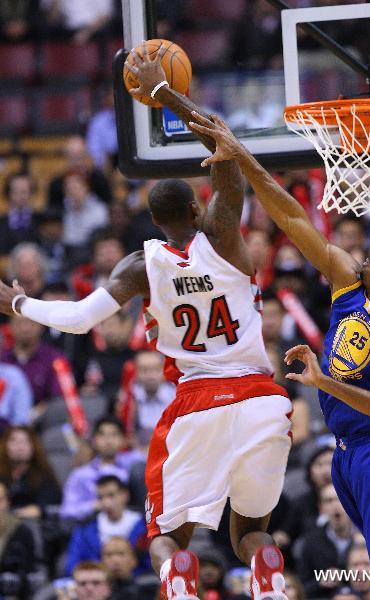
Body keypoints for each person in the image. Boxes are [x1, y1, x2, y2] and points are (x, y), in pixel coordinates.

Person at [0, 44, 291, 600]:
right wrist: (166, 94)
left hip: (198, 403)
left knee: (163, 535)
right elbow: (226, 150)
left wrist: (18, 304)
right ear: (198, 211)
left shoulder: (141, 266)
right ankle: (269, 573)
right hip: (261, 400)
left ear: (154, 220)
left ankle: (178, 587)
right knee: (250, 530)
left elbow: (82, 319)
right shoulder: (226, 237)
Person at [187, 113, 370, 599]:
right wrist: (240, 154)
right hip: (349, 454)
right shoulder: (346, 281)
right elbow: (290, 215)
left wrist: (322, 381)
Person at [60, 416, 142, 521]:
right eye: (102, 435)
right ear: (94, 440)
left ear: (123, 440)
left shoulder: (133, 463)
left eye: (114, 434)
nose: (108, 440)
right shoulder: (80, 475)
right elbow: (66, 511)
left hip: (132, 524)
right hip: (94, 526)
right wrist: (95, 506)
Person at [65, 475, 147, 576]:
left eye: (111, 495)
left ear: (125, 495)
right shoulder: (84, 529)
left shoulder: (145, 526)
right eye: (100, 498)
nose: (106, 503)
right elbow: (72, 566)